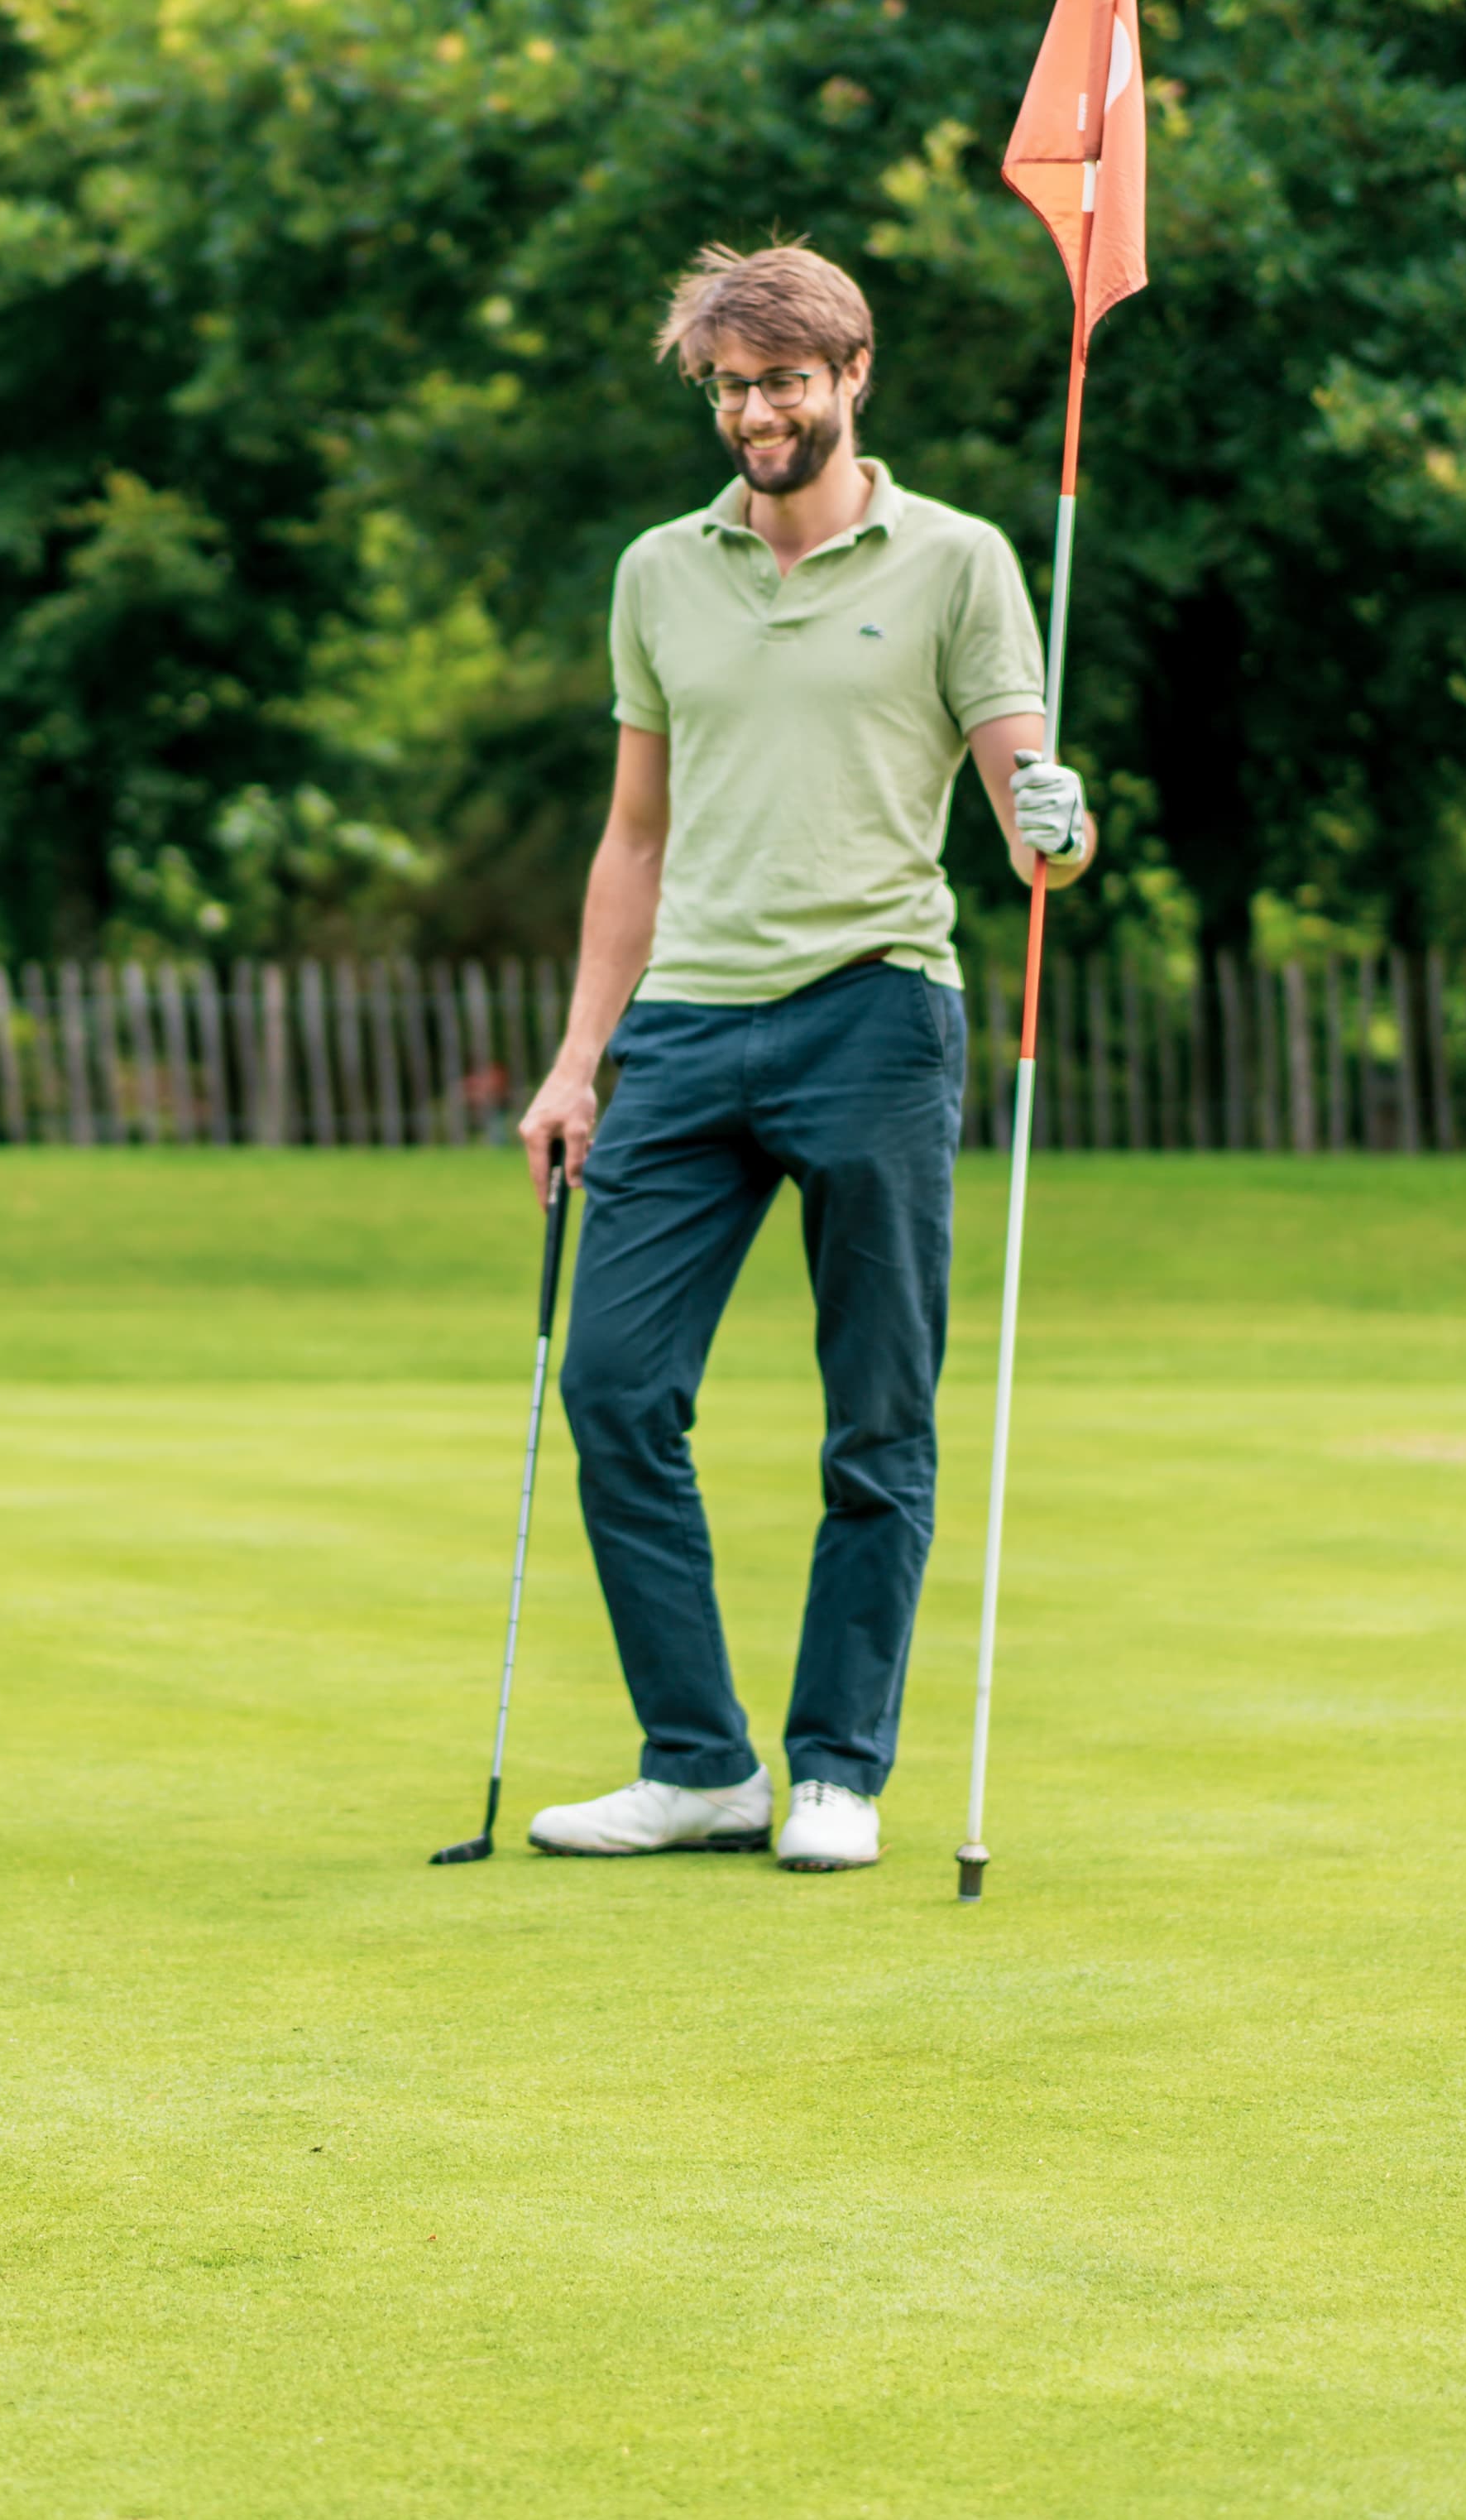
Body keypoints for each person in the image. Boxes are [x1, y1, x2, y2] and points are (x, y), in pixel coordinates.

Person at [513, 244, 1095, 1874]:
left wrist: (1065, 826)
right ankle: (699, 1764)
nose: (754, 412)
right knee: (613, 1387)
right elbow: (635, 838)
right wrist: (576, 1061)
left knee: (876, 1413)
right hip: (686, 1030)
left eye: (780, 381)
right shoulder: (659, 572)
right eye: (728, 387)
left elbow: (1033, 826)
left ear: (851, 377)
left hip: (873, 1012)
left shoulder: (961, 560)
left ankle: (838, 1767)